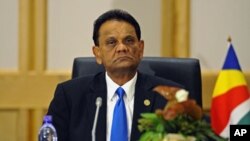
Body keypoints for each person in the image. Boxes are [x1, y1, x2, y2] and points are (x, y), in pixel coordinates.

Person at [47, 9, 183, 141]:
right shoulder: (70, 96)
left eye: (129, 40)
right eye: (112, 42)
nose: (122, 48)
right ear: (97, 53)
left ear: (140, 49)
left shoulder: (170, 98)